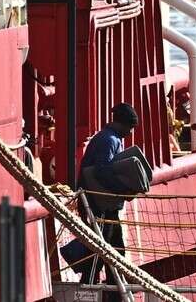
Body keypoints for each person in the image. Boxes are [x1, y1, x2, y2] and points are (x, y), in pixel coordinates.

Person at [76, 103, 139, 295]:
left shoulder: (110, 138)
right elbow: (102, 172)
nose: (130, 132)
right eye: (130, 127)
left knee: (114, 248)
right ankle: (90, 287)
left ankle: (113, 289)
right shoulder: (109, 141)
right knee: (102, 249)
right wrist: (123, 189)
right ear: (122, 124)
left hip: (105, 204)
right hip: (100, 205)